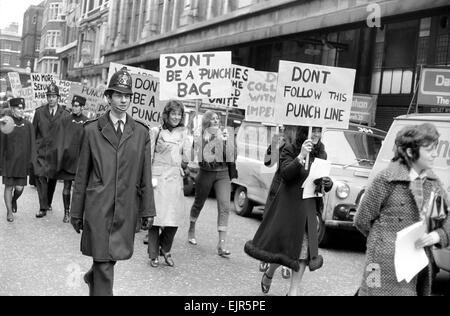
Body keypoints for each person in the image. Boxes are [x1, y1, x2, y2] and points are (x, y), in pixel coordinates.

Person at [70, 67, 156, 296]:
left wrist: (147, 209)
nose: (123, 100)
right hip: (98, 206)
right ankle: (98, 281)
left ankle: (92, 277)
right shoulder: (91, 131)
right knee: (105, 263)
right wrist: (76, 212)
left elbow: (145, 174)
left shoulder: (140, 133)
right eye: (118, 95)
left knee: (110, 256)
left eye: (127, 96)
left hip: (126, 206)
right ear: (108, 98)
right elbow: (81, 176)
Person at [354, 123, 450, 296]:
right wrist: (383, 239)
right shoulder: (386, 179)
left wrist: (437, 235)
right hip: (378, 263)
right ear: (410, 152)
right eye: (429, 150)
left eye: (435, 148)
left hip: (414, 267)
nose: (435, 154)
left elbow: (443, 220)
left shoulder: (434, 186)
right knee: (370, 291)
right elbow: (362, 219)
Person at [244, 126, 332, 296]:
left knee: (304, 251)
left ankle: (293, 291)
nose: (316, 134)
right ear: (303, 131)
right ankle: (269, 273)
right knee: (284, 249)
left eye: (319, 131)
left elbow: (321, 180)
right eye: (313, 131)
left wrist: (328, 184)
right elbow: (283, 171)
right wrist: (301, 156)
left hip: (309, 207)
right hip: (289, 205)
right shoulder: (290, 148)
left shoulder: (322, 153)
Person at [146, 100, 191, 268]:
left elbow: (187, 158)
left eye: (179, 114)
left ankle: (165, 248)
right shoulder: (155, 131)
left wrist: (187, 158)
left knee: (174, 217)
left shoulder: (184, 134)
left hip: (174, 179)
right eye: (173, 113)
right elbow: (148, 156)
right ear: (167, 114)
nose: (176, 117)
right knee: (154, 217)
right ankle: (153, 255)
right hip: (157, 179)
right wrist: (147, 178)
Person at [188, 110, 237, 257]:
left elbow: (233, 156)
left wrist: (228, 142)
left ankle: (221, 244)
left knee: (225, 206)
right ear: (207, 121)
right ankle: (191, 228)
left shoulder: (226, 133)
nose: (216, 121)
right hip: (206, 172)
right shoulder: (202, 135)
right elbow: (198, 156)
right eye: (213, 118)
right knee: (199, 203)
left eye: (217, 118)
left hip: (223, 173)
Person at [33, 83, 70, 219]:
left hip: (56, 153)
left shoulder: (65, 114)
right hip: (41, 152)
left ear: (58, 98)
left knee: (52, 179)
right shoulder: (39, 112)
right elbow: (33, 132)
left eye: (53, 96)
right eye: (49, 96)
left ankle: (48, 202)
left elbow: (67, 135)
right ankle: (43, 207)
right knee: (40, 176)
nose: (51, 99)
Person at [0, 98, 35, 222]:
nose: (21, 110)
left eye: (22, 108)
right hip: (8, 162)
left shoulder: (28, 125)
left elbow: (32, 145)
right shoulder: (6, 123)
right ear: (12, 109)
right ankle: (9, 212)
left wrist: (32, 162)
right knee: (8, 187)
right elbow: (1, 144)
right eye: (18, 108)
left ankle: (14, 200)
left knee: (20, 188)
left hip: (22, 163)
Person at [56, 95, 89, 223]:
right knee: (66, 187)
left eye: (77, 106)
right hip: (68, 159)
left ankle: (78, 214)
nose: (74, 108)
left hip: (81, 160)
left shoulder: (87, 122)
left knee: (79, 189)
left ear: (82, 107)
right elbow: (60, 137)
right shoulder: (66, 120)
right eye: (73, 106)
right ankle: (66, 212)